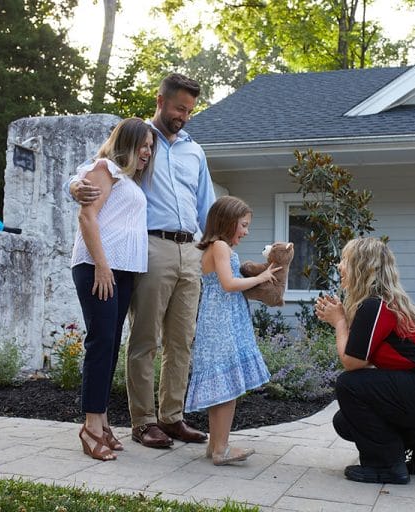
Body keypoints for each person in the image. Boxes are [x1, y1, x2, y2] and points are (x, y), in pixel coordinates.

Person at [71, 73, 215, 448]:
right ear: (161, 100)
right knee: (145, 337)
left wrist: (216, 251)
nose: (184, 115)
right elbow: (99, 169)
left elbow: (207, 207)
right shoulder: (137, 140)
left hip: (190, 250)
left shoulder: (193, 151)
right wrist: (73, 185)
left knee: (182, 340)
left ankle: (172, 417)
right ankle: (143, 421)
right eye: (179, 107)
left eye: (190, 110)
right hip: (149, 247)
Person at [315, 237, 415, 484]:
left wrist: (340, 322)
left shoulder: (375, 305)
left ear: (361, 266)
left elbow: (353, 364)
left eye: (345, 260)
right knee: (345, 422)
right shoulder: (379, 304)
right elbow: (365, 364)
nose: (339, 266)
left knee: (348, 384)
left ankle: (386, 465)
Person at [71, 117, 155, 461]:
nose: (148, 152)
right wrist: (102, 266)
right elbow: (87, 218)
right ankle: (91, 427)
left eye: (151, 147)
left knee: (110, 343)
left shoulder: (129, 180)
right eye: (143, 145)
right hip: (97, 267)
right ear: (127, 143)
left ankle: (102, 421)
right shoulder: (104, 168)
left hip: (121, 271)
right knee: (101, 341)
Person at [184, 196, 278, 465]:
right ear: (228, 221)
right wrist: (260, 278)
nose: (246, 231)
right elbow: (227, 283)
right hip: (222, 322)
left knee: (221, 387)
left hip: (219, 319)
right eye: (244, 225)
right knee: (228, 388)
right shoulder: (221, 246)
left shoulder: (214, 247)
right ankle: (221, 450)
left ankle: (215, 445)